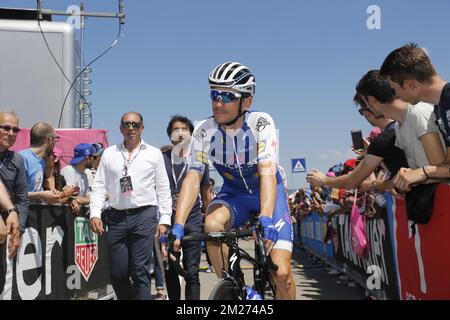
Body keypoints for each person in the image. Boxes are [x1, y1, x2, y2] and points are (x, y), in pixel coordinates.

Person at [172, 62, 295, 299]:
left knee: (282, 275)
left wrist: (266, 218)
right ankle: (234, 287)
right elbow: (193, 177)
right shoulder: (203, 131)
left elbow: (267, 172)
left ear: (246, 101)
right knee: (211, 225)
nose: (218, 102)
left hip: (267, 192)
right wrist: (179, 223)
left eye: (228, 96)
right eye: (214, 94)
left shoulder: (261, 123)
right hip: (235, 195)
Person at [89, 111, 172, 300]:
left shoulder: (154, 153)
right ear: (121, 128)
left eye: (135, 124)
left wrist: (165, 219)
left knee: (139, 270)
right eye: (127, 124)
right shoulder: (109, 153)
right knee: (117, 273)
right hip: (116, 217)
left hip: (144, 215)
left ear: (142, 128)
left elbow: (163, 188)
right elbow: (99, 185)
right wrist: (94, 213)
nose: (131, 128)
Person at [307, 71, 410, 194]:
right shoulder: (408, 122)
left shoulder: (382, 141)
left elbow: (351, 181)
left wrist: (324, 180)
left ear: (369, 106)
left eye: (362, 111)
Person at [380, 43, 450, 190]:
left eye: (394, 90)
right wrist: (411, 177)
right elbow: (447, 168)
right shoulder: (439, 108)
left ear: (409, 84)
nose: (396, 96)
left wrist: (424, 171)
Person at [162, 115, 211, 300]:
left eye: (185, 129)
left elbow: (206, 192)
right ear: (170, 135)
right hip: (168, 218)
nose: (180, 133)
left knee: (192, 272)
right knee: (170, 268)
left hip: (193, 218)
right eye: (176, 129)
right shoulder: (162, 158)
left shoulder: (199, 159)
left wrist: (209, 218)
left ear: (191, 135)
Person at [0, 111, 27, 258]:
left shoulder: (17, 160)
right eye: (6, 128)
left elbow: (22, 199)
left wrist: (18, 232)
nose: (11, 133)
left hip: (4, 230)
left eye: (15, 130)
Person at [18, 122, 61, 204]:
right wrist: (41, 194)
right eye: (56, 139)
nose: (56, 142)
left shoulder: (42, 160)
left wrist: (52, 193)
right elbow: (13, 194)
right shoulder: (21, 158)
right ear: (50, 140)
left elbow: (37, 187)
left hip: (34, 211)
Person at [61, 143, 96, 215]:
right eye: (93, 157)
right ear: (87, 158)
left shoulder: (84, 174)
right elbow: (70, 197)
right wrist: (84, 199)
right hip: (65, 215)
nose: (94, 160)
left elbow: (88, 197)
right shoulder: (69, 170)